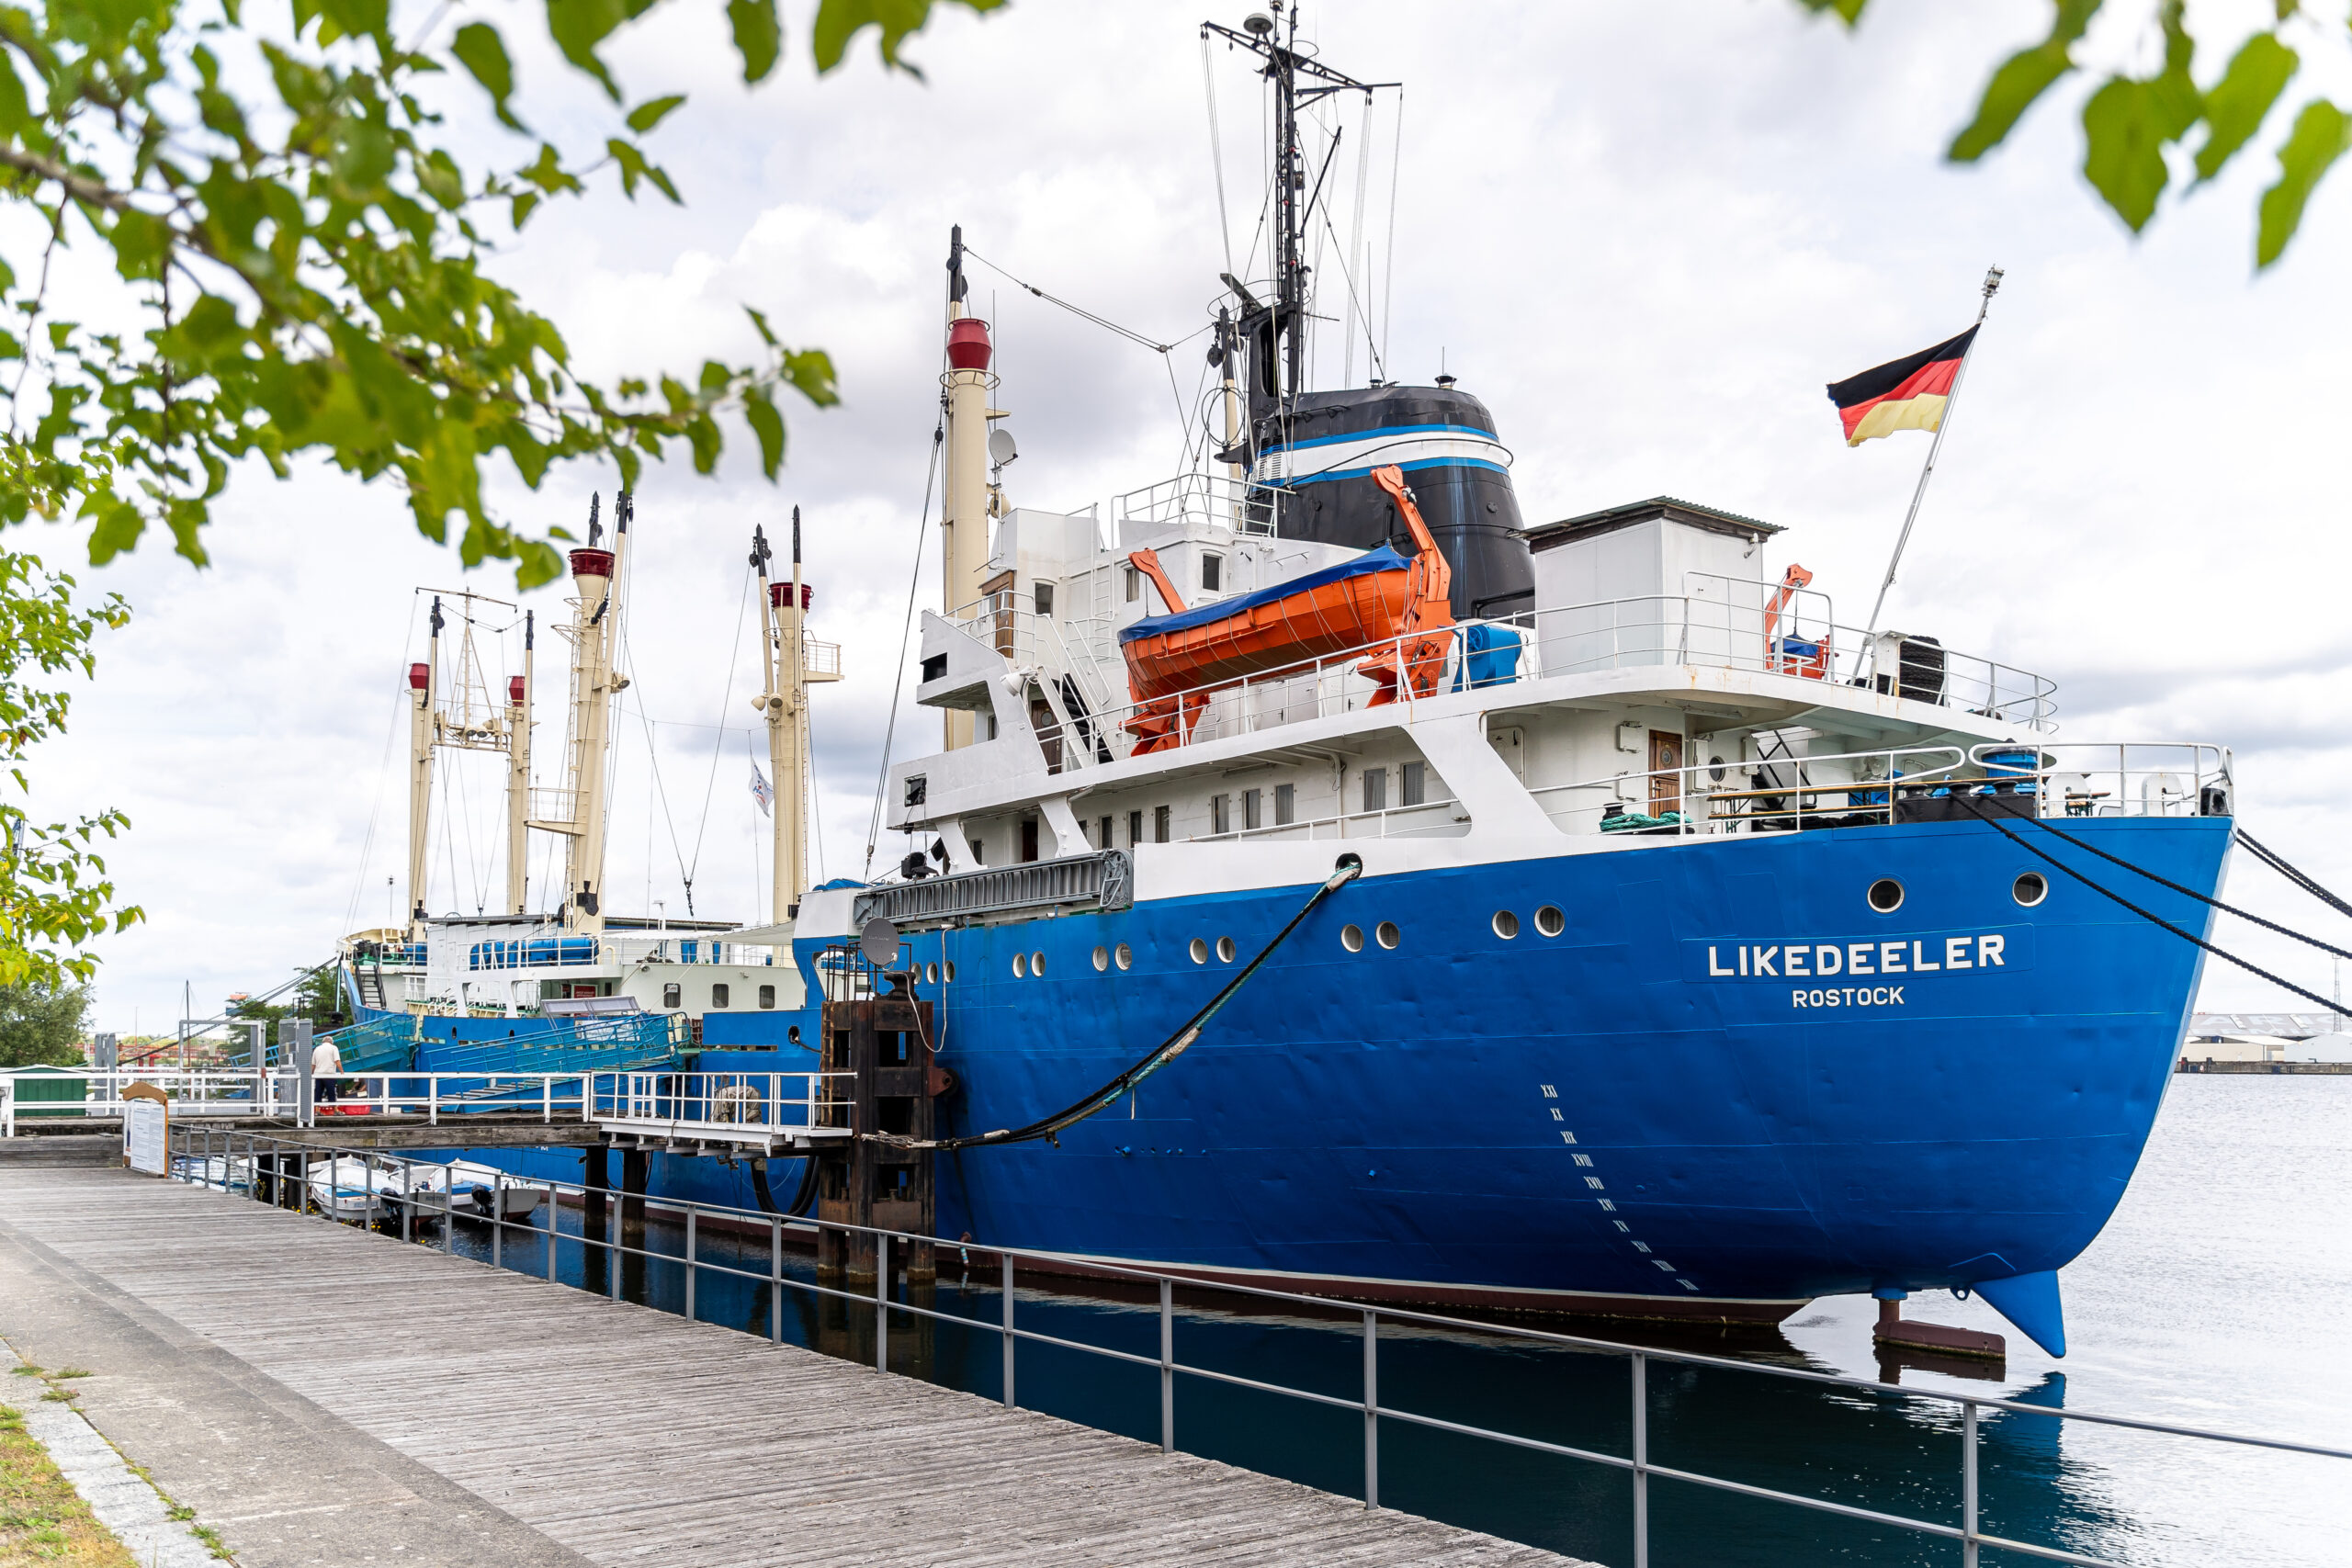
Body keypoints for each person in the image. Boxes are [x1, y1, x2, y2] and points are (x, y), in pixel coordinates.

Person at [311, 1034, 343, 1105]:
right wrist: (341, 1071)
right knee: (331, 1092)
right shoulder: (333, 1048)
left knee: (318, 1092)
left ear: (323, 1042)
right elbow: (337, 1061)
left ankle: (317, 1110)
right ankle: (334, 1110)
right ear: (331, 1042)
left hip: (318, 1074)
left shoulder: (317, 1049)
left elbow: (313, 1064)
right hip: (329, 1074)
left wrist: (312, 1073)